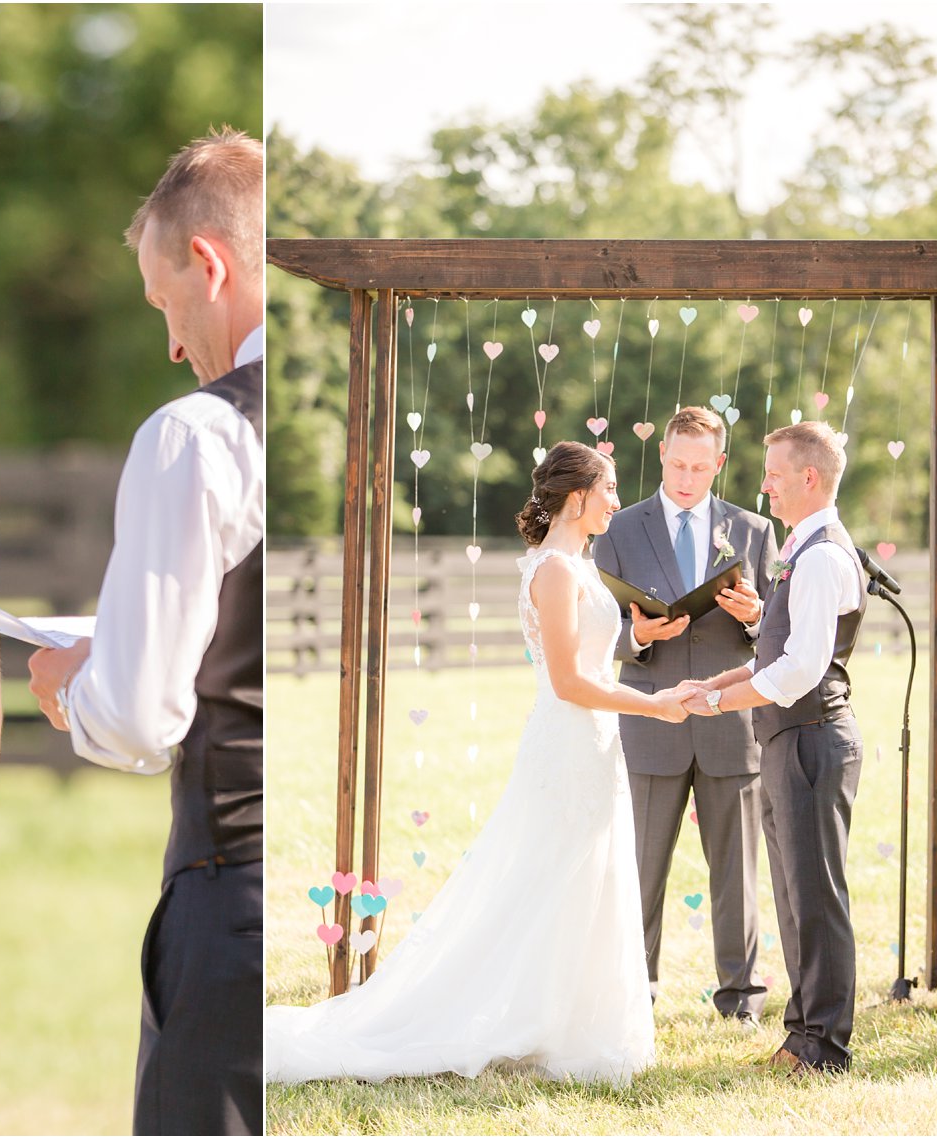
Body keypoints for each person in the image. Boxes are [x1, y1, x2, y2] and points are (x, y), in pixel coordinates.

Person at [267, 442, 693, 1086]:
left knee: (585, 879)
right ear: (577, 498)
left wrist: (640, 639)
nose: (616, 500)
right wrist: (656, 705)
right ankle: (514, 1019)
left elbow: (593, 652)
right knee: (548, 880)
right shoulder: (553, 571)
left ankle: (568, 1020)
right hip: (569, 742)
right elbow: (571, 681)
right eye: (608, 488)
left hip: (594, 743)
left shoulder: (578, 564)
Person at [27, 127, 264, 1136]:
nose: (172, 343)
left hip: (230, 885)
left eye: (165, 304)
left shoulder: (194, 432)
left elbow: (135, 718)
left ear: (206, 265)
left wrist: (71, 681)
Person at [681, 421, 866, 1075]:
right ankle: (802, 1031)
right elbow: (775, 652)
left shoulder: (820, 558)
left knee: (817, 895)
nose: (765, 485)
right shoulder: (804, 549)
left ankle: (826, 1045)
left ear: (809, 478)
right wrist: (716, 680)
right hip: (792, 740)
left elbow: (799, 672)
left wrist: (714, 702)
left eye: (775, 474)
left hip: (813, 740)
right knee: (793, 892)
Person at [592, 406, 777, 1022]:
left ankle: (741, 998)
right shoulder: (619, 529)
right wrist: (638, 635)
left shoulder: (752, 530)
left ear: (719, 465)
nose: (686, 477)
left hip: (732, 723)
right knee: (640, 869)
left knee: (737, 873)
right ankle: (632, 993)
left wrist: (754, 616)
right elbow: (595, 627)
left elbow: (782, 631)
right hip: (649, 718)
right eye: (676, 464)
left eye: (700, 467)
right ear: (662, 456)